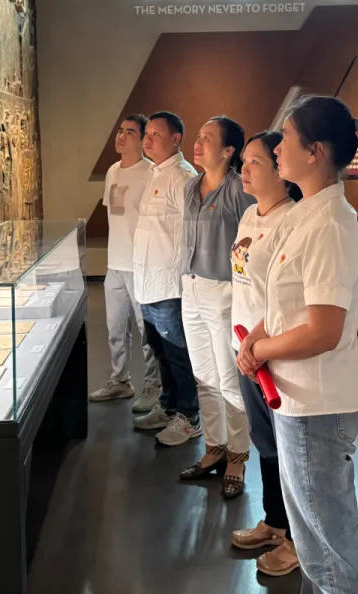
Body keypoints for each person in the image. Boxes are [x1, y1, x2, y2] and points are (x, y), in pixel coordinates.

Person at [237, 95, 358, 594]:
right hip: (296, 398)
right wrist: (259, 335)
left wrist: (261, 350)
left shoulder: (331, 225)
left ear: (315, 151)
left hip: (316, 405)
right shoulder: (306, 214)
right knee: (312, 540)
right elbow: (287, 303)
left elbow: (323, 330)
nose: (277, 150)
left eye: (286, 140)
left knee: (329, 544)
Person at [228, 131, 301, 577]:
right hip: (248, 351)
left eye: (256, 161)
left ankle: (297, 539)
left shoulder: (292, 221)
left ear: (282, 171)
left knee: (290, 449)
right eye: (245, 160)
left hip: (273, 353)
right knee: (266, 443)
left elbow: (286, 301)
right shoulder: (250, 215)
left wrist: (256, 346)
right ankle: (276, 522)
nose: (245, 168)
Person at [178, 117, 254, 497]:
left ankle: (238, 456)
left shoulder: (239, 189)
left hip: (223, 291)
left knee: (229, 379)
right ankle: (214, 447)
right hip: (190, 287)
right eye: (198, 136)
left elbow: (251, 245)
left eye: (208, 138)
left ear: (228, 151)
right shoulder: (191, 186)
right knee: (203, 376)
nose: (198, 142)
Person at [132, 111, 201, 447]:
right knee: (159, 351)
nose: (147, 140)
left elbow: (193, 234)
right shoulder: (154, 173)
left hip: (168, 286)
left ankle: (190, 416)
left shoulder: (183, 177)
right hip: (146, 283)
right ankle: (169, 405)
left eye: (156, 134)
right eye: (146, 134)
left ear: (176, 139)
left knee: (178, 354)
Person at [89, 114, 162, 414]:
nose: (121, 136)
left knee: (147, 333)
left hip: (141, 266)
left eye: (130, 132)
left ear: (143, 139)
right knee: (115, 329)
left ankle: (154, 386)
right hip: (115, 265)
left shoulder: (151, 173)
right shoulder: (112, 171)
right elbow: (115, 215)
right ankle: (120, 379)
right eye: (120, 130)